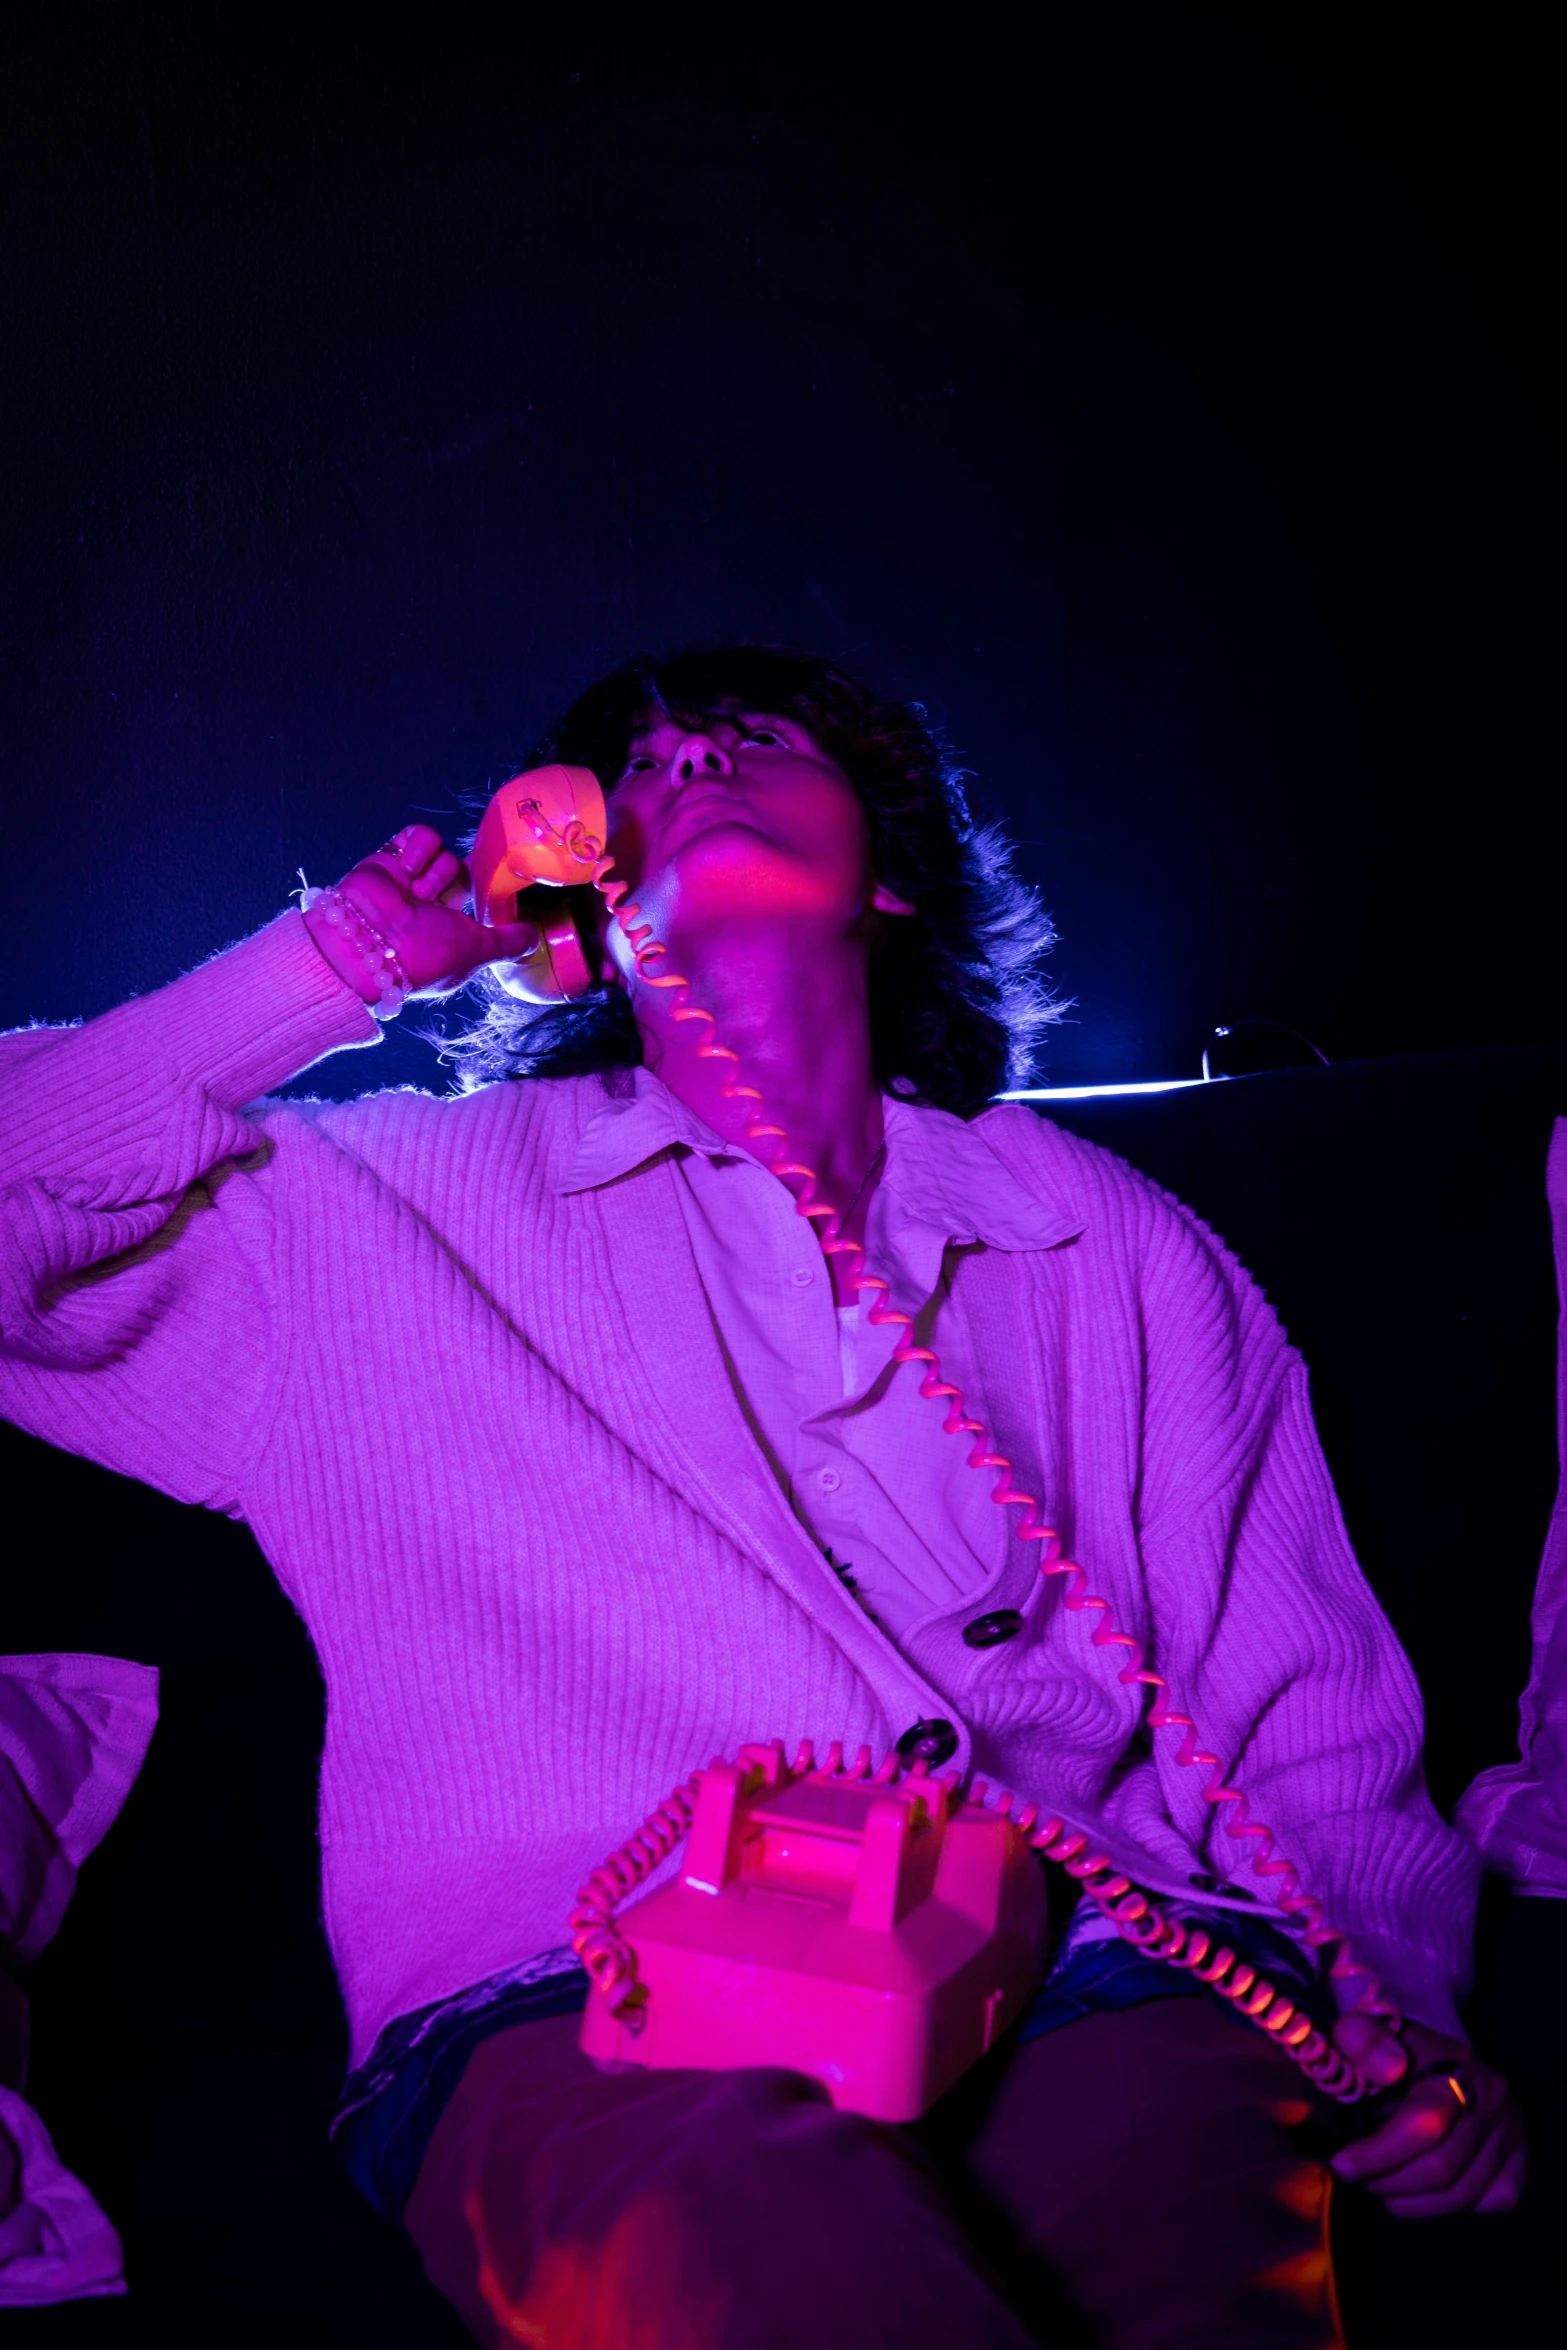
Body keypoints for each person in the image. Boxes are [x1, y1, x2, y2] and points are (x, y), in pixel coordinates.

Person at [0, 646, 1524, 2347]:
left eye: (758, 738)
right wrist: (357, 956)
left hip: (1094, 1962)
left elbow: (1295, 1698)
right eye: (639, 764)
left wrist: (1395, 2014)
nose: (693, 756)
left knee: (1200, 2267)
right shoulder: (369, 1220)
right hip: (581, 1994)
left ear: (887, 875)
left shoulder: (1110, 1238)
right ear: (573, 880)